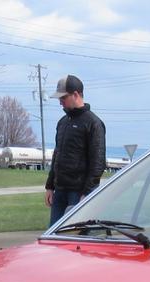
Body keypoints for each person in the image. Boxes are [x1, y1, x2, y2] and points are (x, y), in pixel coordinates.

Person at [45, 75, 106, 226]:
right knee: (53, 237)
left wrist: (87, 194)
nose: (60, 102)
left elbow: (97, 162)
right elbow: (56, 156)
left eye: (63, 98)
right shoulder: (62, 123)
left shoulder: (94, 123)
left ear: (76, 95)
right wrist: (50, 186)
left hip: (78, 193)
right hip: (60, 191)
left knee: (74, 236)